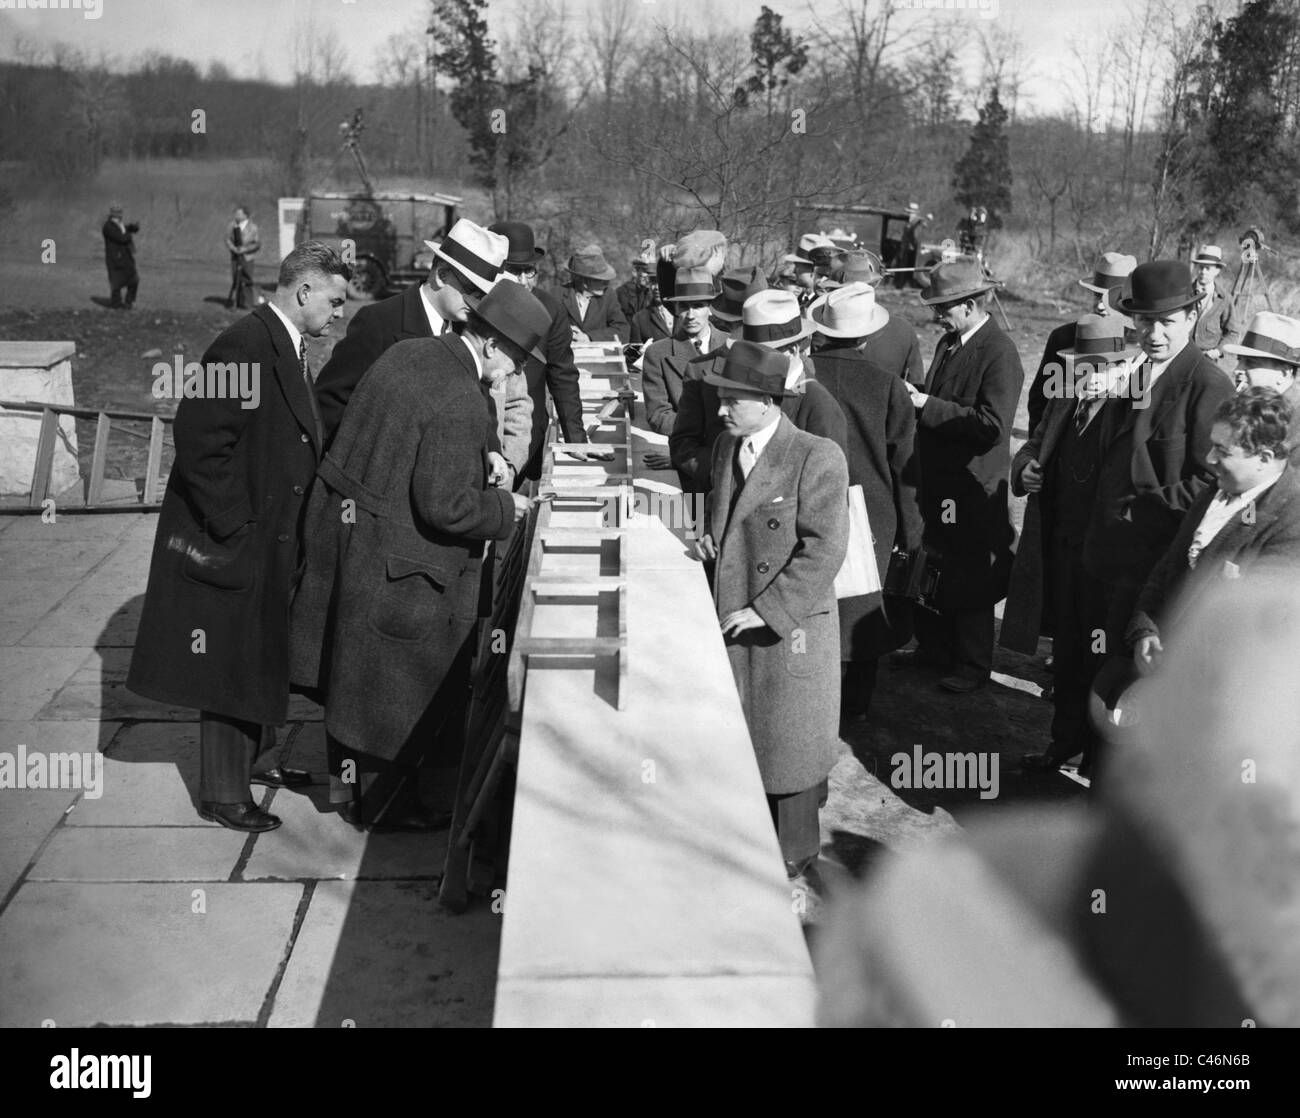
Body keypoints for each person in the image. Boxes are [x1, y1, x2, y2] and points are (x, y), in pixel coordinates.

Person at [290, 281, 551, 829]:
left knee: (349, 678)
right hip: (400, 562)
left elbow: (407, 450)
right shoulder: (460, 399)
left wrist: (478, 464)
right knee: (391, 689)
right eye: (519, 359)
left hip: (352, 537)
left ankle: (347, 795)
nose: (517, 372)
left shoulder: (411, 353)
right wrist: (507, 508)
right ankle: (384, 808)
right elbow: (447, 508)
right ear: (494, 346)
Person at [127, 242, 352, 832]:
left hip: (271, 539)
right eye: (334, 299)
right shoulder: (245, 344)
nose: (339, 312)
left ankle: (258, 763)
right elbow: (200, 442)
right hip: (241, 543)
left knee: (258, 659)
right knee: (229, 666)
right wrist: (240, 526)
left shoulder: (289, 344)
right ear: (303, 292)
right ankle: (224, 795)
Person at [693, 340, 849, 883]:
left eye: (731, 400)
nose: (720, 410)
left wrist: (770, 609)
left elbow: (826, 547)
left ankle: (794, 854)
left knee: (790, 746)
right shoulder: (724, 446)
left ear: (765, 400)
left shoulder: (816, 455)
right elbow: (730, 522)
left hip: (790, 626)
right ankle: (750, 839)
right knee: (747, 737)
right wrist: (713, 548)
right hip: (735, 612)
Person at [1080, 260, 1235, 699]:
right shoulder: (1137, 372)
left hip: (1150, 566)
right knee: (1090, 666)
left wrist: (1137, 510)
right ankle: (1067, 747)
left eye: (1166, 322)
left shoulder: (1210, 385)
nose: (1154, 333)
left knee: (1125, 686)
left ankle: (1099, 767)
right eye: (1144, 321)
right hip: (1102, 555)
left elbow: (1213, 481)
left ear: (1192, 316)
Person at [1010, 316, 1144, 775]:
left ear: (1122, 365)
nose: (1089, 375)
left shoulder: (1133, 410)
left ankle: (1097, 761)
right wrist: (1025, 468)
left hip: (1107, 565)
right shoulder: (1066, 395)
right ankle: (1062, 742)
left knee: (1101, 657)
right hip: (1063, 550)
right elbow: (1033, 444)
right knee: (1066, 653)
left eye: (1100, 366)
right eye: (1082, 365)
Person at [312, 218, 528, 487]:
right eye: (471, 290)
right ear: (441, 275)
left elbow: (480, 395)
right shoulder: (379, 324)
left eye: (483, 295)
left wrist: (491, 447)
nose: (476, 303)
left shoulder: (466, 329)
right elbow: (331, 405)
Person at [898, 259, 1024, 694]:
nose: (936, 316)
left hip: (974, 487)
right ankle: (933, 648)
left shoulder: (1000, 352)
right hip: (939, 480)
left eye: (943, 308)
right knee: (934, 563)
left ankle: (972, 664)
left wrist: (925, 405)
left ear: (970, 305)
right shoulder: (950, 343)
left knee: (971, 571)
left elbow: (992, 427)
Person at [809, 284, 923, 722]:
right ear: (867, 336)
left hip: (812, 500)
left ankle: (814, 696)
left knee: (814, 597)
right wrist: (913, 530)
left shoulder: (802, 375)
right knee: (862, 606)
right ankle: (854, 705)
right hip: (873, 512)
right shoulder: (889, 387)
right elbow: (905, 466)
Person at [1128, 389, 1300, 676]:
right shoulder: (1216, 491)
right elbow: (1170, 565)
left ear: (1264, 457)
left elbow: (1259, 626)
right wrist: (1145, 629)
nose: (1210, 458)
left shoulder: (1292, 523)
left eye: (1223, 451)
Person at [670, 286, 846, 492]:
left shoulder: (818, 403)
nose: (750, 361)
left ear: (792, 350)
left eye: (762, 353)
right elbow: (684, 444)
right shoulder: (726, 380)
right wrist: (724, 473)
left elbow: (826, 488)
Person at [488, 220, 592, 480]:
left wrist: (575, 437)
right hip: (477, 428)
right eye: (515, 271)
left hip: (527, 430)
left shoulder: (550, 309)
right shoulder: (471, 307)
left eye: (530, 271)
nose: (523, 280)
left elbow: (563, 374)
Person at [1027, 252, 1137, 435]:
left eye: (1109, 298)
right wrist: (1039, 453)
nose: (1100, 305)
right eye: (1096, 295)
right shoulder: (1063, 339)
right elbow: (1040, 400)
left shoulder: (1141, 347)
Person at [641, 267, 721, 437]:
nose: (690, 315)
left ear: (711, 308)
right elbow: (658, 415)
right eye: (684, 306)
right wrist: (703, 431)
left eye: (698, 306)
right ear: (675, 309)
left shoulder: (732, 346)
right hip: (685, 442)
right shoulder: (658, 353)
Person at [1223, 310, 1300, 416]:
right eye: (1239, 360)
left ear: (1283, 374)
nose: (1237, 370)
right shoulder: (1252, 404)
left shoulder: (1294, 423)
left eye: (1250, 363)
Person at [554, 245, 629, 342]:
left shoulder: (608, 295)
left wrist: (588, 337)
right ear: (583, 280)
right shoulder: (556, 294)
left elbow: (622, 331)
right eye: (600, 280)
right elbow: (545, 328)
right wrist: (566, 332)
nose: (606, 283)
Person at [1189, 244, 1240, 367]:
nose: (1203, 272)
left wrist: (1218, 351)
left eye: (1207, 268)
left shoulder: (1224, 298)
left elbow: (1232, 333)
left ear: (1217, 271)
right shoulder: (1185, 293)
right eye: (1200, 267)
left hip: (1208, 361)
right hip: (1183, 356)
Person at [102, 202, 139, 309]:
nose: (120, 214)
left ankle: (129, 301)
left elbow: (126, 230)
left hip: (126, 257)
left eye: (120, 212)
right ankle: (116, 304)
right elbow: (122, 238)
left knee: (134, 279)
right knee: (116, 282)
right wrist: (129, 234)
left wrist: (133, 228)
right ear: (113, 214)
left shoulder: (119, 224)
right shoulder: (108, 226)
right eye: (118, 212)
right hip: (115, 258)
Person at [224, 204, 260, 310]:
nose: (236, 215)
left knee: (247, 279)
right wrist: (234, 248)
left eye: (239, 213)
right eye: (236, 213)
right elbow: (227, 239)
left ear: (245, 215)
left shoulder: (253, 227)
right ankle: (237, 302)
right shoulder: (232, 226)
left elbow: (257, 243)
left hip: (247, 257)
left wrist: (245, 249)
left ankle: (248, 303)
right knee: (236, 279)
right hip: (235, 257)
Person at [616, 244, 657, 322]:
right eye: (640, 270)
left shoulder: (655, 294)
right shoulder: (621, 293)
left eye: (648, 272)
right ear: (636, 271)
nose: (643, 274)